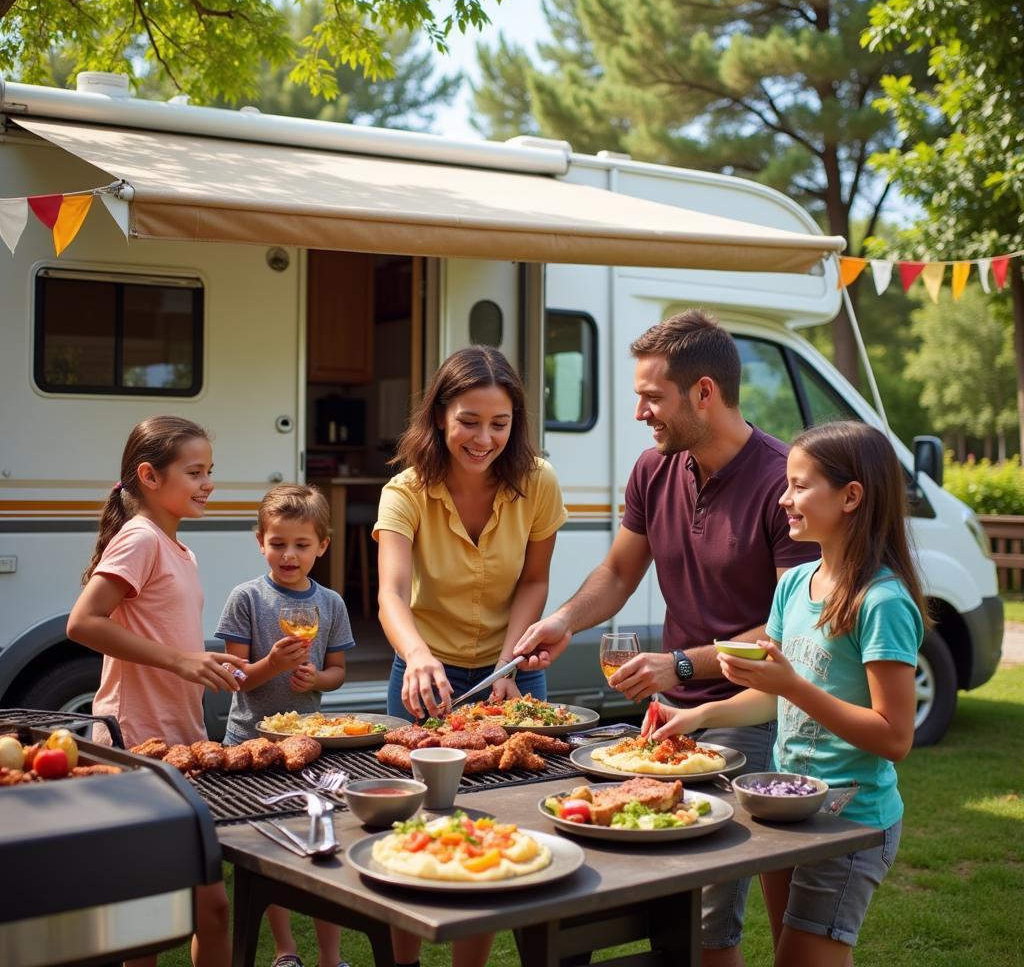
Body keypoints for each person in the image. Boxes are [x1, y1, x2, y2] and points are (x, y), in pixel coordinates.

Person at [514, 310, 817, 967]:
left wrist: (680, 664)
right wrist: (563, 620)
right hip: (669, 721)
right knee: (642, 886)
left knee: (711, 913)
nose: (639, 412)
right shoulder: (655, 470)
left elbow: (790, 627)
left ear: (703, 392)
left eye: (652, 397)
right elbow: (620, 570)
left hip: (752, 713)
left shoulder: (785, 484)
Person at [648, 420, 926, 966]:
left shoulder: (882, 603)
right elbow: (771, 697)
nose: (783, 498)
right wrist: (699, 715)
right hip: (788, 803)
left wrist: (792, 684)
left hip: (851, 817)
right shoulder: (796, 585)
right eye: (787, 484)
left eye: (799, 486)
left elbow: (894, 737)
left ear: (851, 497)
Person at [375, 345, 566, 967]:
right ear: (439, 417)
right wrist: (419, 654)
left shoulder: (537, 480)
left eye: (499, 423)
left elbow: (534, 581)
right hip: (423, 677)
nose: (484, 438)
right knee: (416, 825)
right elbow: (390, 594)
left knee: (510, 824)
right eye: (469, 421)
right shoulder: (405, 490)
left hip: (512, 674)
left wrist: (511, 661)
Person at [67, 415, 242, 967]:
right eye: (194, 472)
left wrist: (198, 661)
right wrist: (181, 660)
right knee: (148, 915)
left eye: (210, 471)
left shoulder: (177, 549)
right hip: (135, 741)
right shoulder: (141, 537)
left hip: (178, 738)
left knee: (209, 909)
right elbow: (83, 622)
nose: (207, 483)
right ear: (148, 475)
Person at [216, 483, 354, 967]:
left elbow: (337, 673)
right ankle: (285, 951)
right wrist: (270, 666)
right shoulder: (247, 599)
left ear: (322, 546)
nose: (289, 555)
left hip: (309, 743)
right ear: (260, 542)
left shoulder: (331, 604)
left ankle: (331, 958)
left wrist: (317, 677)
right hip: (252, 742)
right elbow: (234, 677)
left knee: (322, 842)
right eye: (278, 543)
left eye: (301, 544)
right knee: (269, 853)